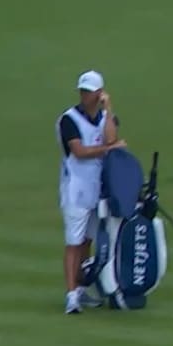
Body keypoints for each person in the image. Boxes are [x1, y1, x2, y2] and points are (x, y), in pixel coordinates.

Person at [56, 70, 126, 314]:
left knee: (87, 241)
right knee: (74, 242)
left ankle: (82, 289)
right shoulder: (69, 120)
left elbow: (111, 138)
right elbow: (80, 151)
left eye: (89, 91)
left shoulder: (106, 116)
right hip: (75, 190)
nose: (85, 95)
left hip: (97, 191)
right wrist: (109, 149)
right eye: (82, 91)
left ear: (99, 93)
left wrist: (108, 111)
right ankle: (71, 295)